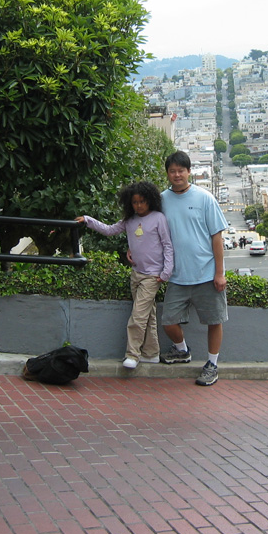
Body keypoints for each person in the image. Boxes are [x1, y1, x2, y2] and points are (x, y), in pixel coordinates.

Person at [77, 181, 173, 369]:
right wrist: (88, 220)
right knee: (149, 315)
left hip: (153, 276)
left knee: (137, 316)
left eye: (142, 201)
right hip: (136, 274)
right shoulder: (129, 221)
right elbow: (109, 230)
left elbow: (167, 246)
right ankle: (151, 353)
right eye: (135, 202)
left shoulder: (158, 218)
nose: (138, 205)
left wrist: (166, 272)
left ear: (150, 201)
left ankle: (132, 355)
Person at [159, 151, 228, 386]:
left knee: (214, 321)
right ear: (167, 173)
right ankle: (182, 350)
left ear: (189, 172)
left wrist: (220, 273)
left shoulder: (205, 198)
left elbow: (216, 237)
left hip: (206, 274)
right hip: (177, 276)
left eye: (181, 170)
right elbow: (149, 230)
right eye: (172, 171)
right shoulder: (161, 201)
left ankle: (212, 364)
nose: (177, 175)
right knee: (168, 320)